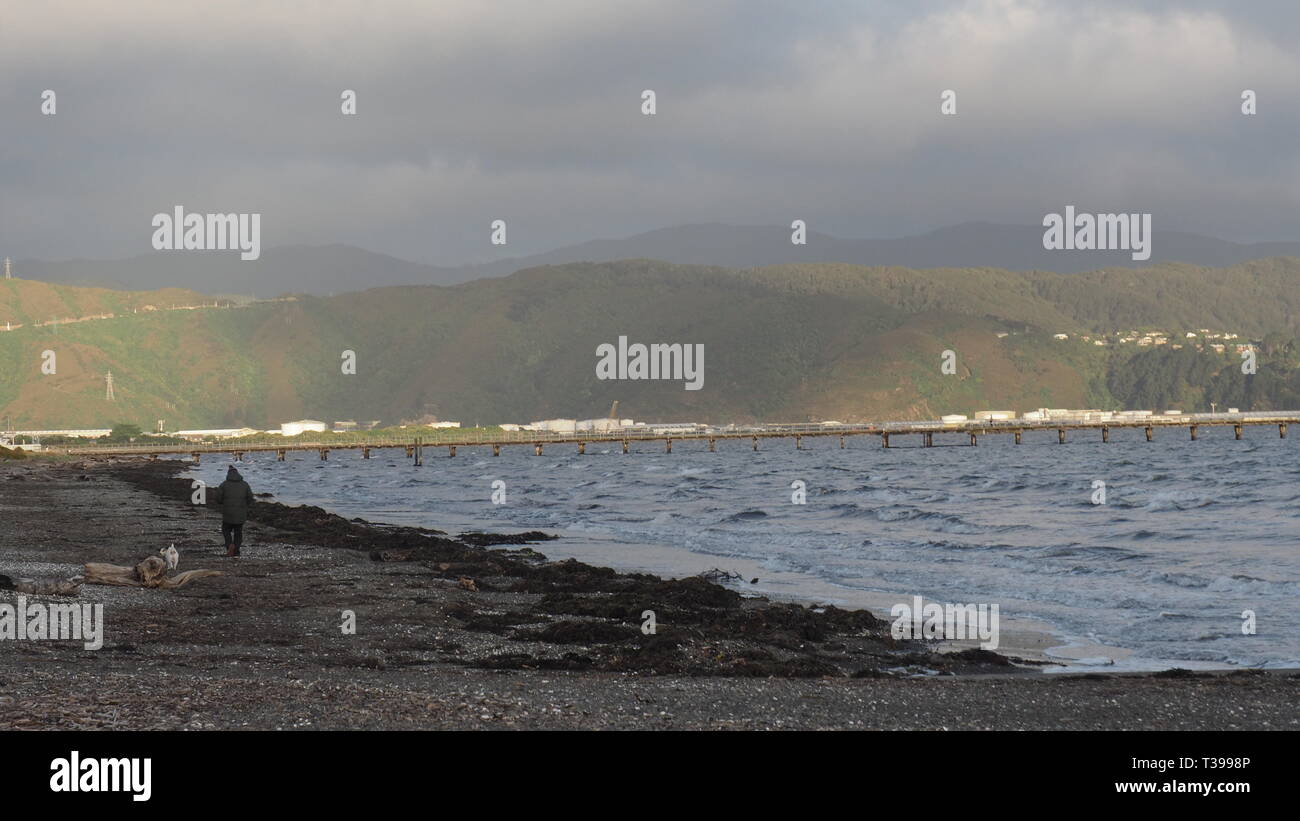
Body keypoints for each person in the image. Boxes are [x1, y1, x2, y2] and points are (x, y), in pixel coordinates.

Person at [213, 465, 254, 557]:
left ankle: (229, 545)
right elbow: (250, 498)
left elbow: (218, 498)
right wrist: (244, 505)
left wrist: (223, 503)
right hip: (240, 514)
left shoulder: (224, 484)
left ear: (228, 474)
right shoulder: (245, 484)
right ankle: (236, 550)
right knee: (238, 532)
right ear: (238, 473)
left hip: (228, 513)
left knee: (226, 530)